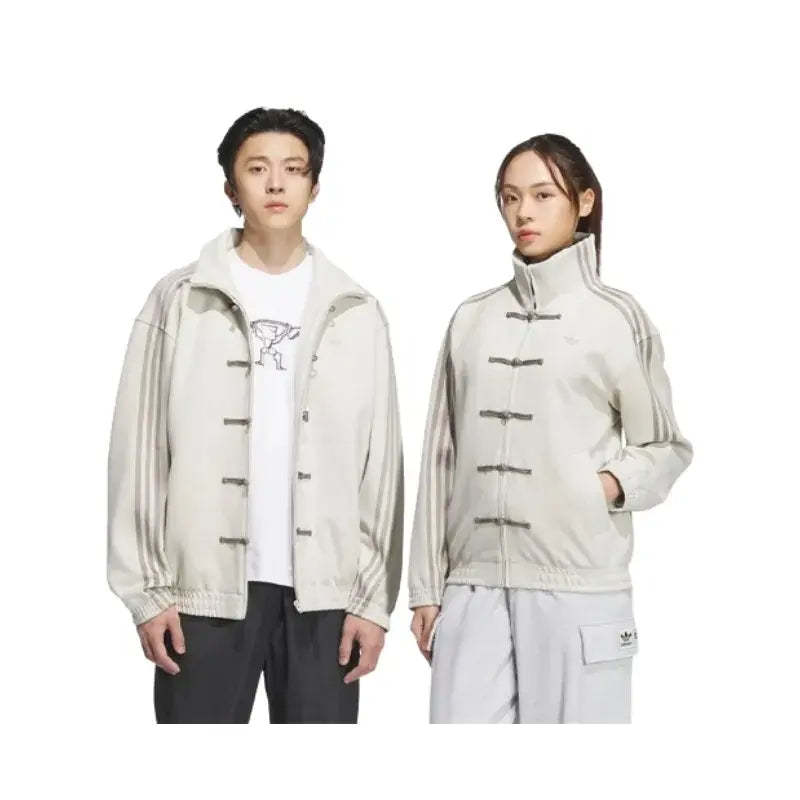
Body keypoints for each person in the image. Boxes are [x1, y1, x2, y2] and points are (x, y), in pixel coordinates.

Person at [106, 107, 404, 723]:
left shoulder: (356, 309)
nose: (275, 183)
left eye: (294, 169)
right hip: (202, 593)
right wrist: (148, 592)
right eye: (257, 168)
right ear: (230, 187)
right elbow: (138, 449)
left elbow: (381, 466)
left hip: (323, 596)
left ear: (314, 187)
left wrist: (372, 601)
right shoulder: (180, 299)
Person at [407, 133, 693, 723]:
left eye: (542, 195)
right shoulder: (471, 319)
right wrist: (427, 588)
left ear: (584, 202)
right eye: (511, 198)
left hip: (578, 584)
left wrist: (600, 487)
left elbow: (665, 446)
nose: (524, 213)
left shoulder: (617, 317)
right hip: (474, 586)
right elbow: (440, 459)